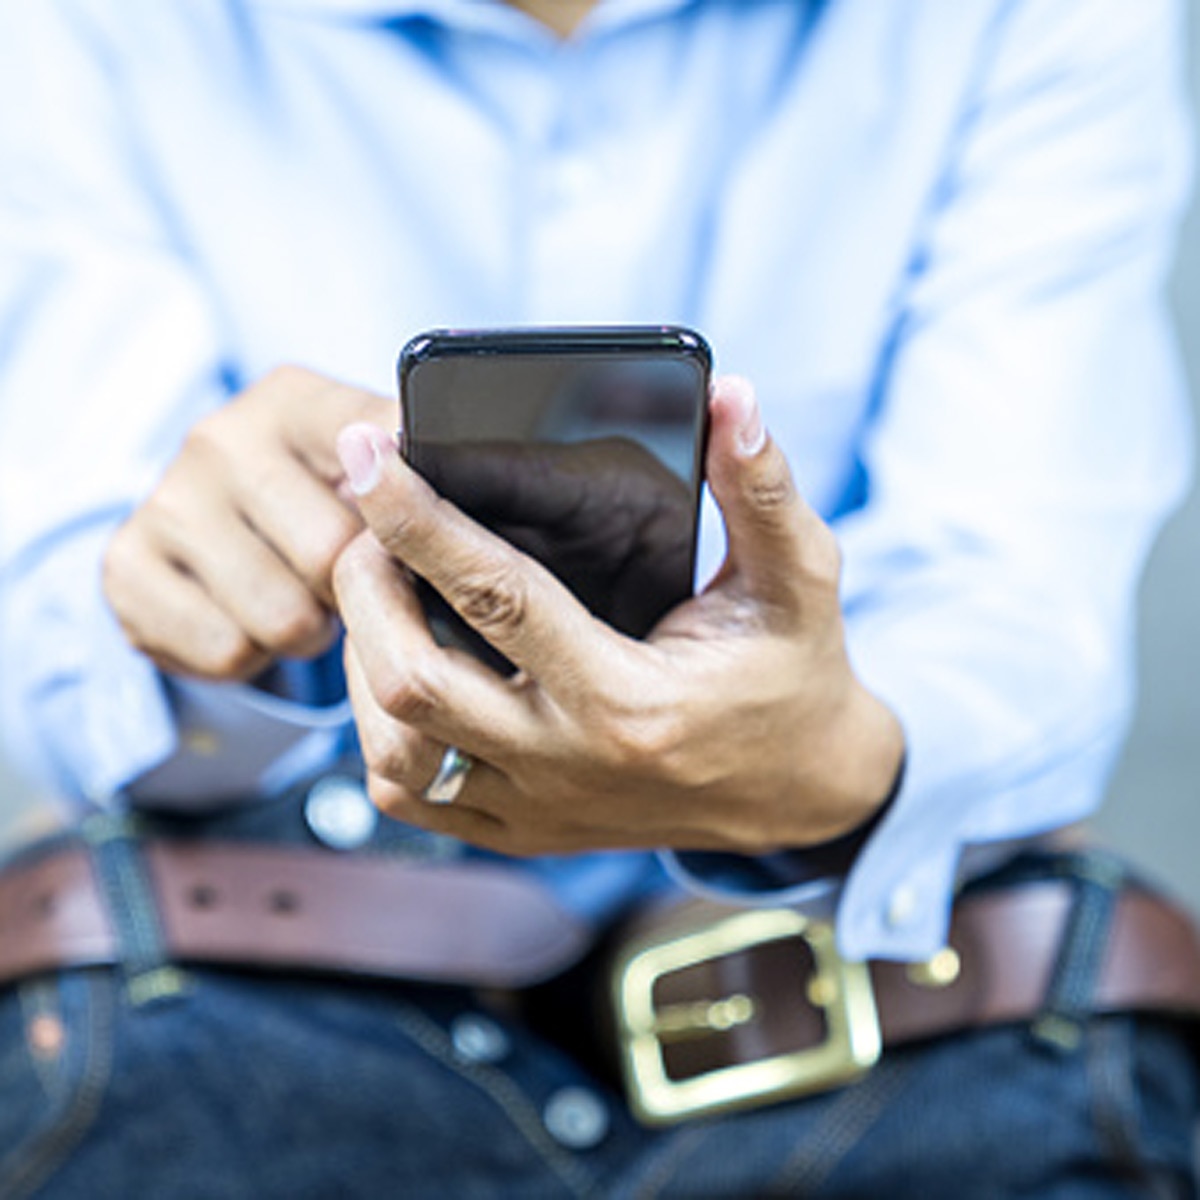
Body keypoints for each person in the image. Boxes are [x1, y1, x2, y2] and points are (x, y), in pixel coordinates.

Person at [0, 0, 1198, 1195]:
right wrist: (203, 621)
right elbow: (58, 637)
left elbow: (1018, 606)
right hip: (249, 1029)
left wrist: (837, 754)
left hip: (883, 1044)